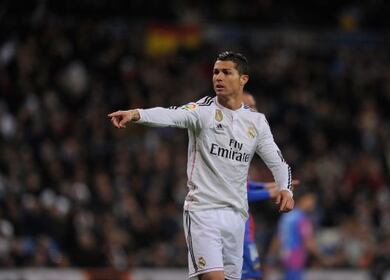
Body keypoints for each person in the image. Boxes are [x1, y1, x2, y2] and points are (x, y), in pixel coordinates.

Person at [108, 51, 294, 280]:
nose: (218, 77)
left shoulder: (256, 122)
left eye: (227, 72)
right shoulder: (203, 111)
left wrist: (286, 189)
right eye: (216, 72)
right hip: (203, 212)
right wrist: (137, 113)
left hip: (237, 216)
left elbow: (278, 162)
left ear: (243, 79)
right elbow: (171, 115)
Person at [242, 92, 299, 280]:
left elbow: (245, 185)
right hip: (231, 226)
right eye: (250, 106)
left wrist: (273, 187)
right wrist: (272, 191)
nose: (256, 111)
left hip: (243, 224)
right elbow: (236, 191)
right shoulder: (226, 145)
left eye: (255, 105)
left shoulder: (246, 146)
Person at [266, 186, 319, 280]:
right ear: (303, 199)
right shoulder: (302, 218)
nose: (313, 203)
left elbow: (278, 238)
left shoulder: (287, 216)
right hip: (296, 257)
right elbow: (308, 242)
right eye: (311, 199)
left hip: (285, 257)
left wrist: (270, 258)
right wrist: (323, 257)